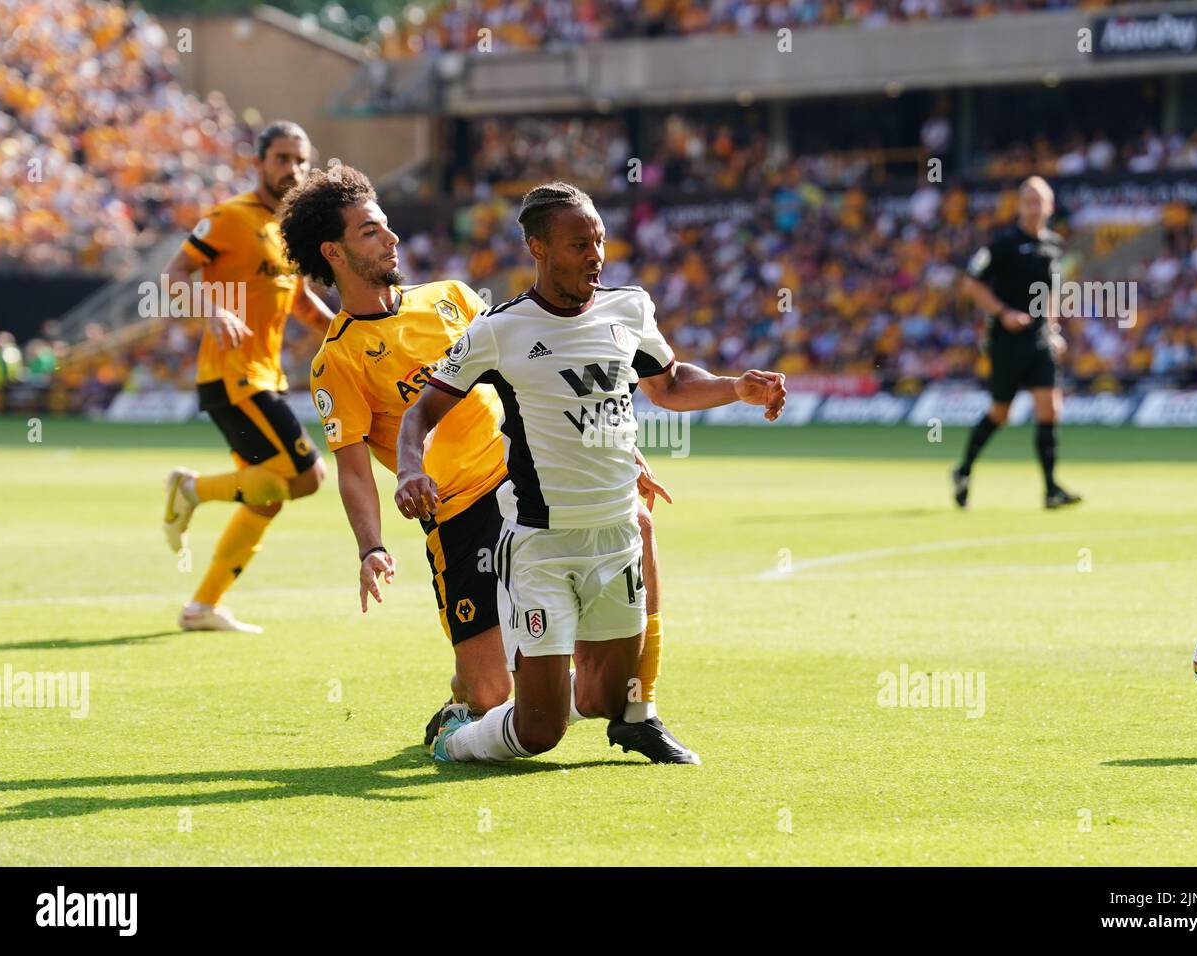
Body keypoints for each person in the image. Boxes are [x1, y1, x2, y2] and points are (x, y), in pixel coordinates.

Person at [281, 168, 700, 763]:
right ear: (335, 251)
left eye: (386, 225)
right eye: (371, 231)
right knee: (492, 693)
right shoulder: (338, 359)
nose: (393, 238)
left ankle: (638, 710)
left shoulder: (450, 297)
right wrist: (370, 547)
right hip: (458, 515)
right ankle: (474, 701)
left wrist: (619, 450)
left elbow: (536, 375)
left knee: (637, 523)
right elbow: (351, 465)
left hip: (522, 477)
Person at [394, 181, 786, 763]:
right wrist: (409, 470)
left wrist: (736, 388)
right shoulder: (501, 330)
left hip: (617, 537)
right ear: (538, 248)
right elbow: (422, 411)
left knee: (607, 697)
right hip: (542, 545)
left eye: (599, 240)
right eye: (579, 244)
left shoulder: (630, 308)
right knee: (539, 734)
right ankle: (458, 741)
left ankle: (607, 715)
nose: (596, 255)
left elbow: (669, 384)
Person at [160, 121, 335, 632]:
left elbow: (299, 300)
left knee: (268, 496)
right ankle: (190, 490)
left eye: (301, 160)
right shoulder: (230, 217)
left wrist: (351, 334)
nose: (292, 170)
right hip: (233, 376)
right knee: (307, 478)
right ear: (258, 162)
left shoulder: (292, 230)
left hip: (264, 376)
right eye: (282, 158)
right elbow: (173, 275)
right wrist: (212, 309)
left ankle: (202, 607)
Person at [952, 176, 1081, 510]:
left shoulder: (1054, 245)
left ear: (1050, 207)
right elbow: (970, 284)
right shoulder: (1003, 244)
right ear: (1020, 206)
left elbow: (1050, 294)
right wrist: (1003, 311)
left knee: (1050, 407)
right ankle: (964, 470)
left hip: (1039, 341)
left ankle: (1051, 488)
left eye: (1041, 201)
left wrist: (1052, 330)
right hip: (1006, 340)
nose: (1035, 207)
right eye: (1029, 201)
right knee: (1000, 412)